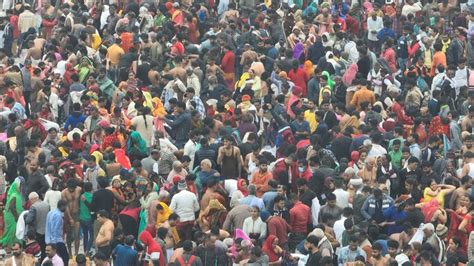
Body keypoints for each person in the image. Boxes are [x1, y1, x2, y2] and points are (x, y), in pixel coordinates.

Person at [45, 199, 69, 265]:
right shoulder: (58, 216)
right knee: (65, 258)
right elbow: (55, 229)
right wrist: (54, 244)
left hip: (48, 240)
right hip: (56, 241)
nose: (66, 208)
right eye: (66, 206)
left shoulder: (50, 212)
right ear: (62, 206)